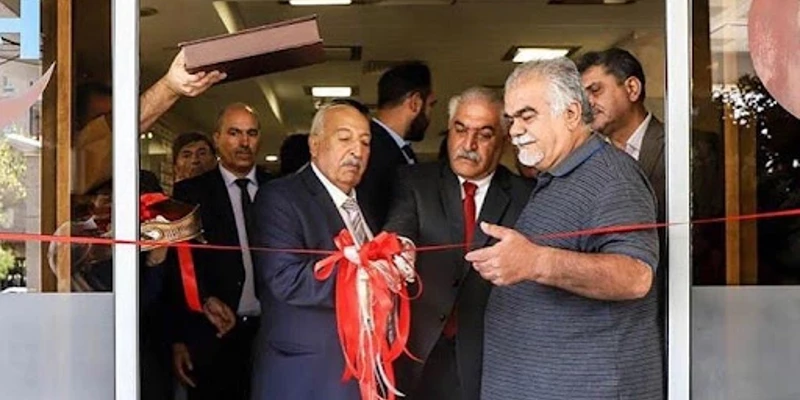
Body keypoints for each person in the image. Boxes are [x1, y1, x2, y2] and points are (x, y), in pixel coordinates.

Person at [465, 58, 662, 399]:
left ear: (571, 114)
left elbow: (635, 276)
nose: (514, 130)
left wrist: (536, 262)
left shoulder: (613, 176)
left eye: (527, 116)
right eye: (511, 119)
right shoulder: (557, 176)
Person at [385, 87, 532, 400]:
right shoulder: (415, 182)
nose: (468, 144)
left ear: (504, 140)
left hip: (490, 360)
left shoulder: (526, 196)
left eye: (484, 134)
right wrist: (397, 250)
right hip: (419, 357)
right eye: (460, 130)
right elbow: (399, 229)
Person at [251, 101, 386, 400]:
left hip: (363, 368)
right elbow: (286, 278)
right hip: (307, 374)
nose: (357, 151)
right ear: (315, 145)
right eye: (344, 138)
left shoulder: (366, 202)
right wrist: (368, 280)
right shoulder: (281, 197)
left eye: (365, 142)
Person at [168, 103, 270, 400]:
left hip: (270, 333)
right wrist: (179, 338)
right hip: (213, 331)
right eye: (234, 133)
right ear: (217, 138)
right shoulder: (191, 193)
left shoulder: (278, 189)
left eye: (251, 133)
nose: (244, 142)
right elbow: (177, 269)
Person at [577, 47, 667, 337]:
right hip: (609, 319)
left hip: (673, 303)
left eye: (595, 90)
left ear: (631, 88)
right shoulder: (586, 160)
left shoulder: (683, 147)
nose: (588, 104)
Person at [357, 62, 437, 227]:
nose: (430, 115)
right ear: (415, 103)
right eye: (430, 105)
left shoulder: (398, 150)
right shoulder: (370, 151)